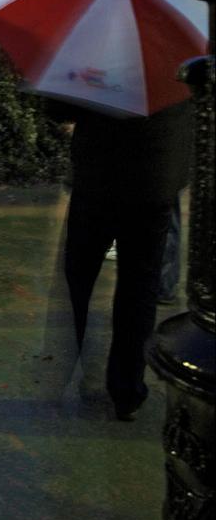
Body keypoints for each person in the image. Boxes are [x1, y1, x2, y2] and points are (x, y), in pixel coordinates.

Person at [54, 98, 191, 421]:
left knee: (79, 275)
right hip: (156, 177)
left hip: (99, 176)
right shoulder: (183, 52)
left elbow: (61, 107)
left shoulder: (98, 49)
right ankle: (127, 389)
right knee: (140, 287)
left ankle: (67, 370)